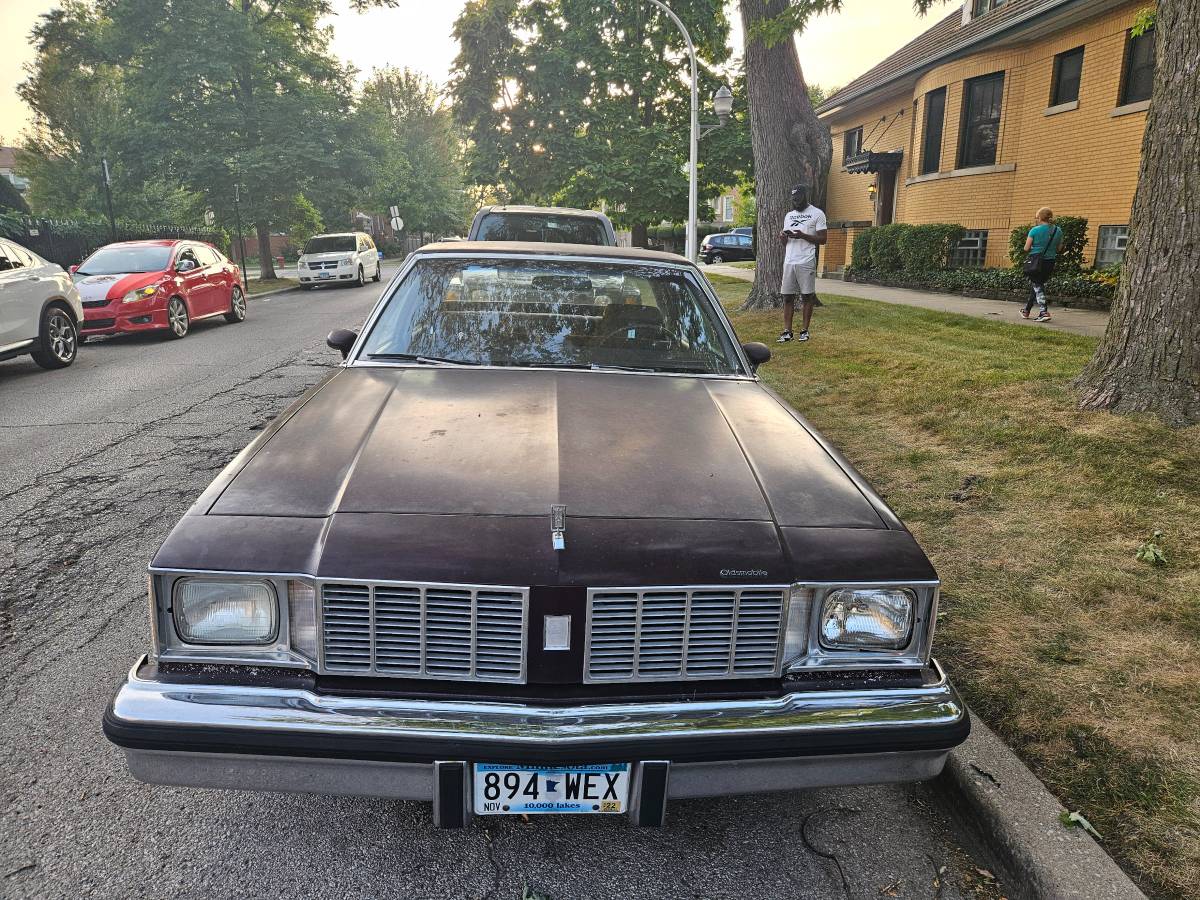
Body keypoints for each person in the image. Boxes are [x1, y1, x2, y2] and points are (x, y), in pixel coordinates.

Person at [777, 184, 828, 343]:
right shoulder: (789, 215)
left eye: (798, 198)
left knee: (807, 296)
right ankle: (787, 332)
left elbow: (823, 239)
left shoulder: (817, 214)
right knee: (787, 297)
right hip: (789, 260)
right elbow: (786, 243)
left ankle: (804, 331)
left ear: (805, 196)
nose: (795, 201)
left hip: (806, 260)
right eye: (793, 199)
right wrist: (783, 239)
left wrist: (803, 236)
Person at [1022, 207, 1063, 322]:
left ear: (1040, 217)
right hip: (1050, 262)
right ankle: (1026, 311)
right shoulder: (1058, 230)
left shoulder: (1035, 230)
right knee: (1037, 285)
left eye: (1036, 217)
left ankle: (1043, 312)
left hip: (1036, 262)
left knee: (1037, 286)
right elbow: (1059, 248)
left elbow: (1026, 248)